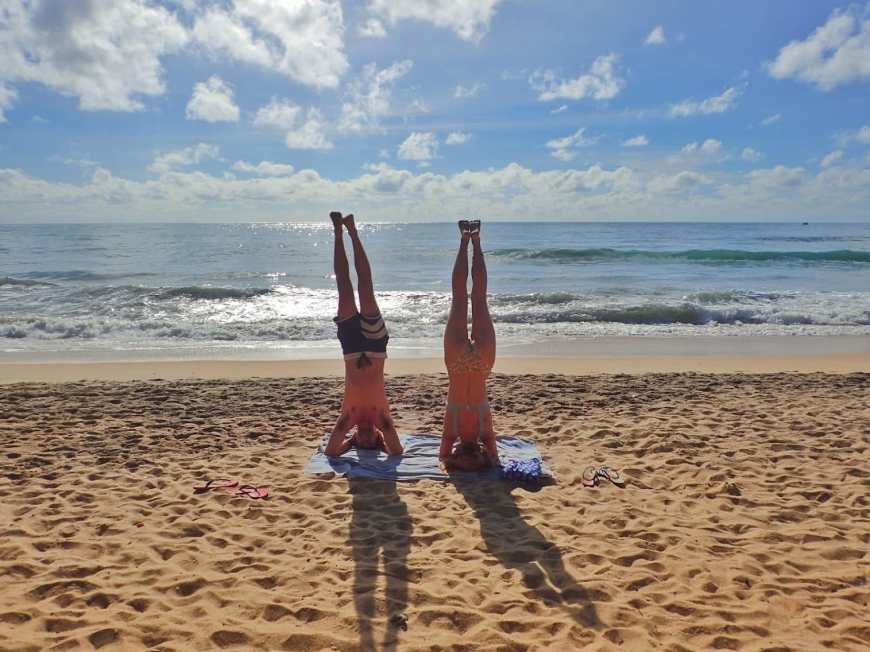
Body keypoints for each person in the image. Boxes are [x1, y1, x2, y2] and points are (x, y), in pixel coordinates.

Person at [324, 212, 403, 457]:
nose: (367, 438)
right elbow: (397, 452)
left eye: (362, 442)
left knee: (344, 286)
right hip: (376, 344)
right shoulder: (383, 419)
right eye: (373, 442)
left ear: (355, 436)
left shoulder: (348, 417)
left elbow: (330, 452)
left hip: (351, 347)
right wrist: (382, 445)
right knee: (366, 285)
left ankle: (338, 232)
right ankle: (353, 231)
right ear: (379, 438)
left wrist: (348, 445)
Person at [440, 219, 498, 471]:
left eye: (463, 461)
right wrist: (487, 460)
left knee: (463, 297)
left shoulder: (451, 434)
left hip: (459, 364)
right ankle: (473, 239)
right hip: (479, 363)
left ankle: (467, 239)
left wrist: (451, 461)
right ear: (480, 457)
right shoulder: (485, 434)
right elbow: (495, 460)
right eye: (473, 461)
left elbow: (443, 458)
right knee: (475, 297)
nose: (468, 458)